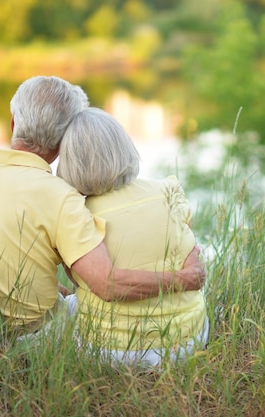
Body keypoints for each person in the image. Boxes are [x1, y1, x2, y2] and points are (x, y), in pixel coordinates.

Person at [0, 76, 205, 353]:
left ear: (13, 123)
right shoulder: (61, 196)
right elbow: (108, 284)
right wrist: (184, 279)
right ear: (65, 141)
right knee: (88, 306)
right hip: (27, 342)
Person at [56, 107, 208, 367]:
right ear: (124, 146)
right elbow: (187, 249)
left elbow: (79, 281)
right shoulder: (168, 190)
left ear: (69, 162)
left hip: (109, 351)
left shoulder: (74, 216)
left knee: (64, 305)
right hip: (189, 342)